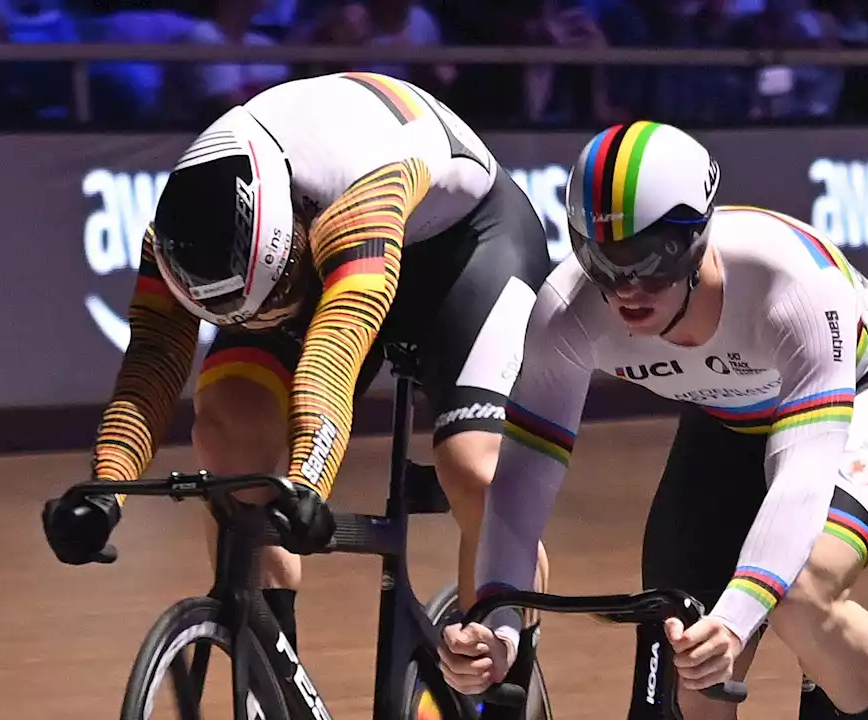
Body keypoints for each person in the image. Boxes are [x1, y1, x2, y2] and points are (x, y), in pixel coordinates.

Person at [437, 120, 868, 720]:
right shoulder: (568, 310)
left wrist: (738, 616)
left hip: (867, 395)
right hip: (728, 421)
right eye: (599, 261)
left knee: (800, 598)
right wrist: (497, 620)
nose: (625, 290)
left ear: (695, 239)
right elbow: (519, 483)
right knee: (688, 657)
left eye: (646, 262)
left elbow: (801, 476)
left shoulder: (794, 284)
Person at [39, 71, 553, 654]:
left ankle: (500, 681)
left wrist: (307, 483)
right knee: (231, 425)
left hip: (466, 249)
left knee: (473, 470)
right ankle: (269, 672)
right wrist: (106, 489)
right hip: (325, 264)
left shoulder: (356, 194)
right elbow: (153, 361)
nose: (263, 323)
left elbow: (332, 354)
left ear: (293, 240)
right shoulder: (180, 232)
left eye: (274, 302)